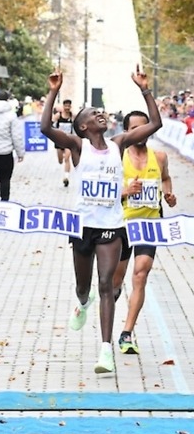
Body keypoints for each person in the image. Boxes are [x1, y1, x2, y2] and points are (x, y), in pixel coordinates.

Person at [40, 65, 162, 374]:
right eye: (94, 115)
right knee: (85, 287)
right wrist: (54, 91)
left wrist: (144, 89)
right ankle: (82, 303)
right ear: (82, 127)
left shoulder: (118, 144)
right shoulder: (77, 146)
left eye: (101, 113)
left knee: (106, 284)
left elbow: (156, 124)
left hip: (111, 226)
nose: (101, 115)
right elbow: (45, 129)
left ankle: (105, 350)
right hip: (83, 227)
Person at [112, 110, 177, 355]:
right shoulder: (117, 157)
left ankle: (127, 333)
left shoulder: (159, 157)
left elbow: (166, 179)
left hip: (150, 226)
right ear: (127, 131)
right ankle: (104, 305)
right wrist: (126, 191)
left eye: (144, 127)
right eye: (134, 128)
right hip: (122, 225)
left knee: (141, 274)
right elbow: (105, 193)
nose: (140, 133)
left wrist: (168, 194)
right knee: (114, 282)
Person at [52, 98, 74, 187]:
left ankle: (66, 177)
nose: (67, 108)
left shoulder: (72, 116)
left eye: (69, 106)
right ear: (63, 106)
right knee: (60, 160)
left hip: (68, 140)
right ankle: (62, 156)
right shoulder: (58, 115)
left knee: (67, 159)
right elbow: (50, 124)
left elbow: (77, 125)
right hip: (59, 140)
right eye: (66, 106)